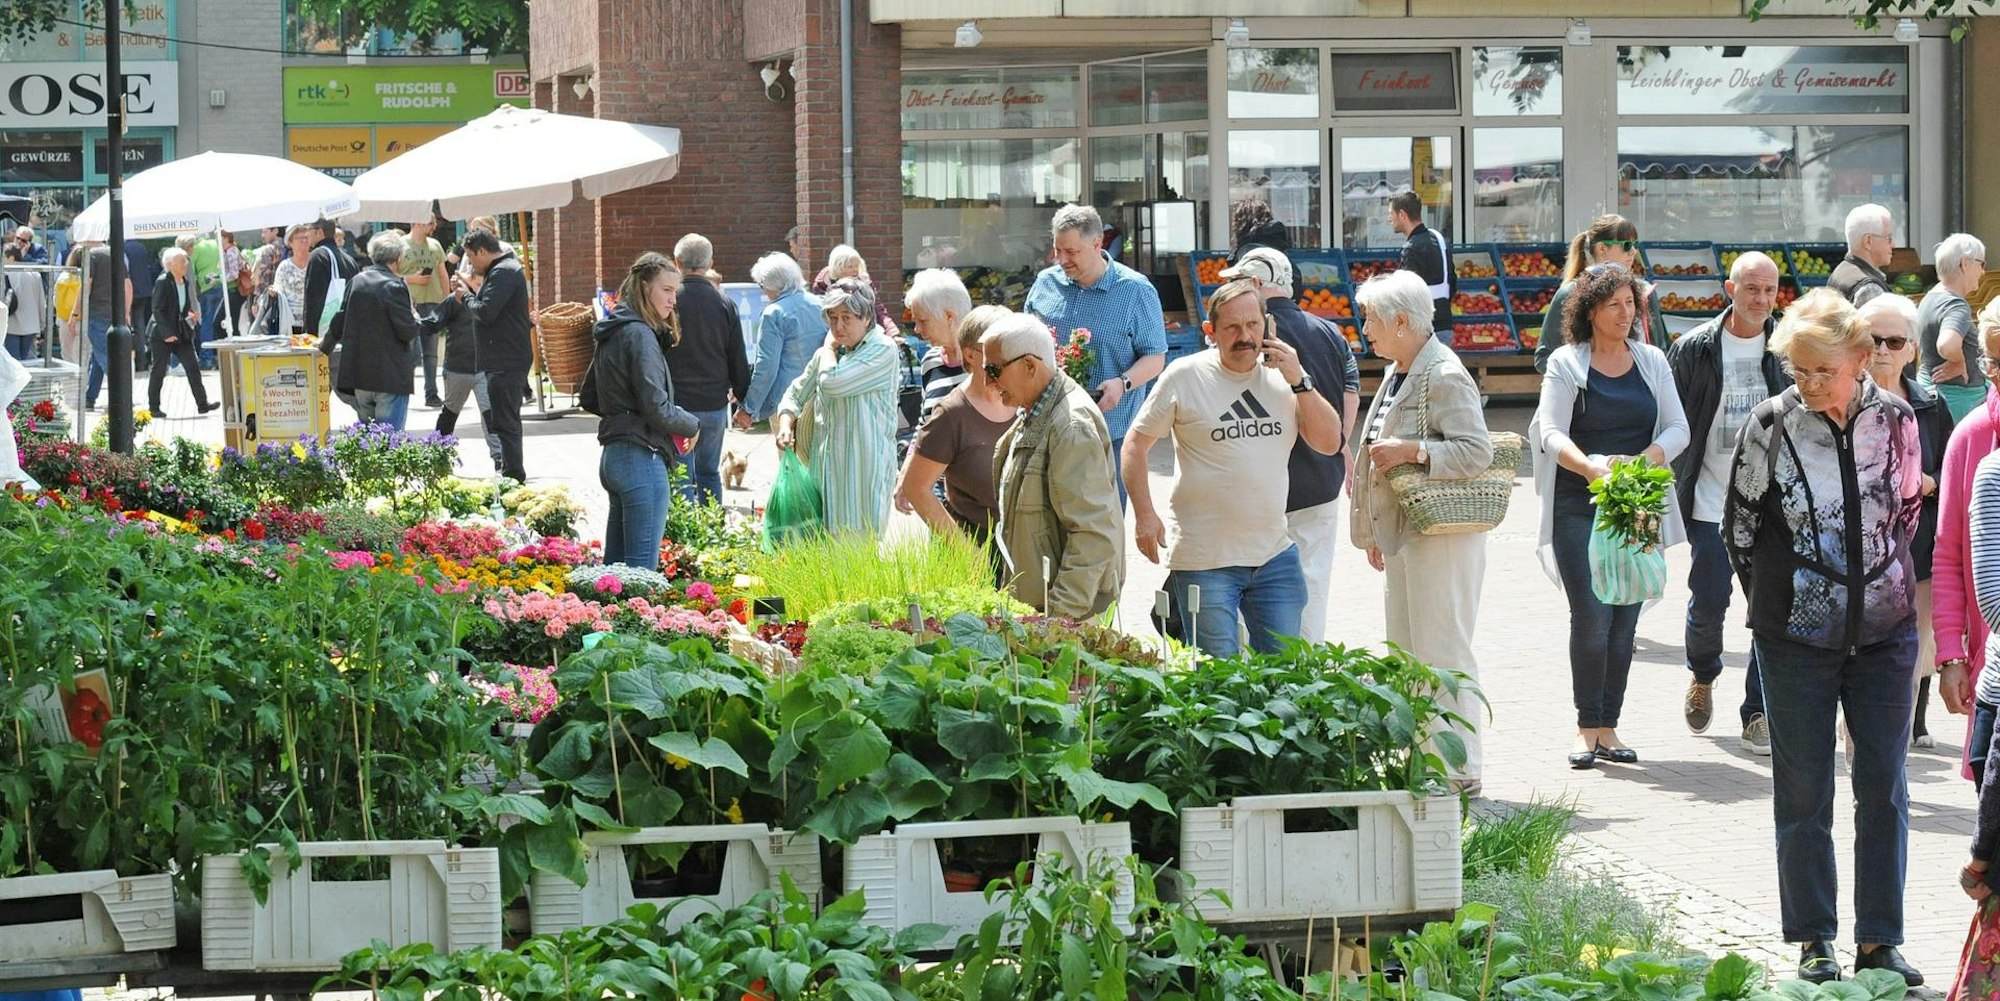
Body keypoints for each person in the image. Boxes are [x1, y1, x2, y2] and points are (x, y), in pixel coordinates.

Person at [1725, 288, 1924, 986]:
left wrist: (1870, 591)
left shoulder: (1898, 419)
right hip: (1794, 640)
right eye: (1798, 370)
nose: (1808, 384)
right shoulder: (1769, 425)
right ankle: (1813, 939)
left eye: (1822, 371)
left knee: (1885, 786)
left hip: (1885, 634)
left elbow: (1904, 514)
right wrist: (1789, 607)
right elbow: (1740, 531)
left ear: (1861, 359)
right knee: (1804, 789)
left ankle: (1880, 939)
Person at [1124, 279, 1343, 657]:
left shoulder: (1284, 378)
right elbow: (1135, 446)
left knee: (1285, 679)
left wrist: (1300, 379)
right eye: (1232, 327)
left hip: (1274, 556)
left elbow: (1328, 443)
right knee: (1219, 683)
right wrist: (1145, 514)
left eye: (1253, 325)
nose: (1245, 336)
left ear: (1267, 324)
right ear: (1210, 331)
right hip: (1205, 560)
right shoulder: (1185, 376)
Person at [1532, 262, 1689, 769]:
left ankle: (1609, 727)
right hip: (1580, 505)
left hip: (1637, 505)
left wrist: (1645, 463)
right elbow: (1549, 431)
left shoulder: (1652, 360)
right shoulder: (1565, 362)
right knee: (1593, 616)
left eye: (1631, 305)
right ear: (1591, 311)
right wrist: (1591, 469)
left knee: (1625, 620)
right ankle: (1585, 728)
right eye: (1614, 305)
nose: (1625, 314)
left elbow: (1678, 428)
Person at [1350, 269, 1495, 792]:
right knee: (1408, 651)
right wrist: (1374, 531)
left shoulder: (1444, 372)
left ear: (1402, 321)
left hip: (1444, 536)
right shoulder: (1401, 367)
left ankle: (1460, 767)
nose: (1365, 327)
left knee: (1445, 651)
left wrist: (1415, 452)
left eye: (1371, 319)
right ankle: (1424, 759)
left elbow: (1475, 451)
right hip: (1408, 534)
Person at [1666, 250, 1787, 754]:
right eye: (1751, 289)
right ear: (1729, 290)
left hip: (1773, 503)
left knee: (1769, 609)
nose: (1761, 299)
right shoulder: (1694, 348)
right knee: (1709, 600)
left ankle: (1756, 711)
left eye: (1769, 290)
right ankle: (1702, 674)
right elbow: (1670, 417)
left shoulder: (1786, 346)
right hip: (1710, 501)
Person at [1222, 247, 1360, 643]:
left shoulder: (1246, 337)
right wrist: (1338, 445)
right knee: (1312, 589)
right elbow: (1350, 392)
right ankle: (1309, 672)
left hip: (1264, 490)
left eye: (1238, 283)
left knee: (1254, 594)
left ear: (1257, 285)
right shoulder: (1331, 332)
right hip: (1320, 485)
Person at [983, 311, 1125, 619]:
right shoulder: (1037, 411)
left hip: (1069, 615)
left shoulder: (1070, 426)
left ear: (1030, 366)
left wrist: (1059, 617)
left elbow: (1093, 534)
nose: (988, 383)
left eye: (993, 370)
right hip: (1043, 609)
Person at [1025, 204, 1168, 504]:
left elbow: (1155, 357)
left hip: (1110, 432)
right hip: (1049, 425)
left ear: (1096, 243)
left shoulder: (1135, 291)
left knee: (1105, 527)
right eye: (1057, 250)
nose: (1062, 260)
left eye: (1071, 252)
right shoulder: (1045, 284)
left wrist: (1123, 383)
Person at [1860, 293, 1950, 752]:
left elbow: (1951, 472)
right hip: (1860, 553)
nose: (1882, 350)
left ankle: (1908, 726)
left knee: (1915, 646)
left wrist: (1925, 481)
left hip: (1916, 547)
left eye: (1894, 341)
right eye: (1873, 339)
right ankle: (1864, 732)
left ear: (1912, 349)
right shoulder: (1845, 400)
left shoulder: (1930, 405)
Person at [593, 253, 702, 570]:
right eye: (666, 290)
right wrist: (691, 424)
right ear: (644, 287)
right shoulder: (639, 334)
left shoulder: (613, 328)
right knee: (641, 574)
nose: (672, 301)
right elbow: (657, 408)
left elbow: (590, 394)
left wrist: (623, 408)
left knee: (614, 574)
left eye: (674, 292)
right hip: (641, 457)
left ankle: (606, 620)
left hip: (615, 456)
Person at [774, 277, 899, 537]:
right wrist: (786, 424)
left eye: (846, 317)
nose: (838, 326)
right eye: (832, 318)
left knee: (856, 559)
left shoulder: (882, 349)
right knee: (823, 558)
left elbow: (833, 384)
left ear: (866, 317)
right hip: (823, 476)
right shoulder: (829, 355)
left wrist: (828, 348)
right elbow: (795, 394)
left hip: (861, 480)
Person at [899, 305, 1015, 580]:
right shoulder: (951, 414)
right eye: (1000, 350)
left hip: (1018, 552)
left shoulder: (1022, 400)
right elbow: (916, 489)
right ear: (972, 356)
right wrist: (964, 550)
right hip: (974, 556)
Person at [1935, 299, 2000, 788]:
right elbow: (1949, 554)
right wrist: (1951, 656)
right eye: (1993, 363)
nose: (1996, 376)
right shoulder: (1971, 437)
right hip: (1991, 664)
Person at [666, 233, 751, 504]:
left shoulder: (668, 302)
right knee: (708, 471)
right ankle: (713, 528)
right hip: (714, 402)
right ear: (710, 262)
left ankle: (684, 537)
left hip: (676, 402)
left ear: (676, 261)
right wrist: (743, 396)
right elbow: (737, 355)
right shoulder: (725, 303)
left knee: (681, 472)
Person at [1532, 215, 1667, 373]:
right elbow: (1544, 356)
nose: (1633, 251)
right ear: (1602, 248)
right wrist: (1582, 380)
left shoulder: (1645, 292)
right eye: (1627, 245)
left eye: (1635, 244)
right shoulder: (1570, 293)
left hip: (1641, 393)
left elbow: (1662, 349)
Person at [319, 232, 420, 430]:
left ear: (373, 255)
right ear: (398, 258)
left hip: (361, 376)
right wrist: (416, 318)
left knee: (370, 444)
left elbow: (339, 320)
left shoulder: (357, 281)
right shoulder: (395, 285)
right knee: (390, 444)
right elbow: (406, 331)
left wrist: (324, 347)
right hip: (390, 376)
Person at [458, 229, 532, 481]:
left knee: (506, 421)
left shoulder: (504, 271)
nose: (469, 263)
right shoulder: (503, 270)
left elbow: (486, 311)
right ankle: (511, 471)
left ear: (482, 251)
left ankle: (513, 474)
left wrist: (466, 296)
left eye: (470, 256)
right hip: (503, 357)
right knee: (502, 420)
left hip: (506, 359)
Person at [740, 252, 824, 428]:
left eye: (762, 284)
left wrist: (749, 407)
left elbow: (766, 367)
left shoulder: (774, 313)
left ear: (773, 284)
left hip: (789, 400)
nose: (762, 290)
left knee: (789, 455)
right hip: (822, 395)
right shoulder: (820, 304)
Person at [1917, 232, 1988, 421]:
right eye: (1981, 264)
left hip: (1936, 397)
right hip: (1959, 405)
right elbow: (1947, 345)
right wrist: (1959, 362)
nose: (1982, 272)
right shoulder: (1956, 305)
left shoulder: (1930, 297)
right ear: (1965, 263)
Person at [145, 248, 217, 419]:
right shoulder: (163, 281)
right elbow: (158, 309)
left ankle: (202, 404)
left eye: (186, 260)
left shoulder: (185, 281)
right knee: (159, 370)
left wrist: (190, 315)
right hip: (162, 334)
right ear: (170, 264)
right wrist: (167, 333)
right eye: (182, 261)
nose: (186, 264)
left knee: (193, 366)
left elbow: (180, 307)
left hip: (181, 332)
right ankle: (153, 407)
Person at [67, 239, 131, 411]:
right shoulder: (116, 254)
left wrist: (75, 313)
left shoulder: (93, 256)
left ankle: (121, 398)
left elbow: (86, 285)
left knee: (105, 357)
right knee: (98, 357)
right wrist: (126, 312)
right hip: (115, 314)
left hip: (96, 314)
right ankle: (89, 398)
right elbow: (127, 285)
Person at [905, 268, 973, 426]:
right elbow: (924, 424)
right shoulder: (930, 360)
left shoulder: (984, 363)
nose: (917, 329)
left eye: (923, 321)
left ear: (949, 317)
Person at [304, 217, 358, 397]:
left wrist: (308, 336)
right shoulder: (349, 259)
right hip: (348, 332)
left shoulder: (319, 256)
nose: (306, 234)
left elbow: (312, 300)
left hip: (325, 337)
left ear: (320, 232)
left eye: (309, 229)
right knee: (347, 390)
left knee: (322, 390)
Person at [398, 218, 449, 408]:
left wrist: (448, 301)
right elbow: (391, 274)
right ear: (417, 222)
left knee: (431, 352)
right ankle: (403, 393)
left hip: (433, 302)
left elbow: (443, 274)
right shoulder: (401, 245)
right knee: (409, 350)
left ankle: (431, 393)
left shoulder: (435, 245)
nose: (434, 226)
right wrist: (413, 279)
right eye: (430, 223)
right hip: (409, 303)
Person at [1388, 190, 1453, 336]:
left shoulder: (1411, 248)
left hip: (1422, 331)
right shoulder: (1438, 238)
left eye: (1391, 214)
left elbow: (1406, 294)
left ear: (1402, 215)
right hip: (1444, 324)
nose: (1389, 219)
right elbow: (1452, 280)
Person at [810, 244, 898, 336]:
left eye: (857, 266)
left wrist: (892, 332)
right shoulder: (822, 285)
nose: (855, 270)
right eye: (850, 266)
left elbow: (878, 309)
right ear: (838, 267)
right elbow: (822, 318)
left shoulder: (864, 283)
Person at [1829, 203, 1894, 307]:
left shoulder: (1841, 271)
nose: (1893, 245)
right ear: (1868, 241)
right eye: (1888, 238)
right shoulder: (1870, 290)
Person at [270, 225, 314, 337]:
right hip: (291, 324)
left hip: (313, 322)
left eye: (306, 237)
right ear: (290, 242)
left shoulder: (316, 262)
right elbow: (278, 287)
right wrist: (273, 291)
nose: (304, 241)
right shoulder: (284, 266)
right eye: (299, 238)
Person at [3, 243, 46, 361]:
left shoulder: (5, 274)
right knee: (29, 363)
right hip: (31, 326)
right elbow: (41, 302)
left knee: (14, 364)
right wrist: (42, 324)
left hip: (11, 325)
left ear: (11, 258)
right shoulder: (35, 275)